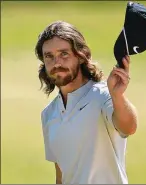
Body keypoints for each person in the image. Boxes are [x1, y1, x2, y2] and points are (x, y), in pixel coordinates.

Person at [35, 21, 138, 184]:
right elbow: (61, 176)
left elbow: (129, 127)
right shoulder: (48, 114)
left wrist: (117, 96)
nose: (57, 63)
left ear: (81, 56)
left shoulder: (103, 96)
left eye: (64, 54)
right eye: (49, 56)